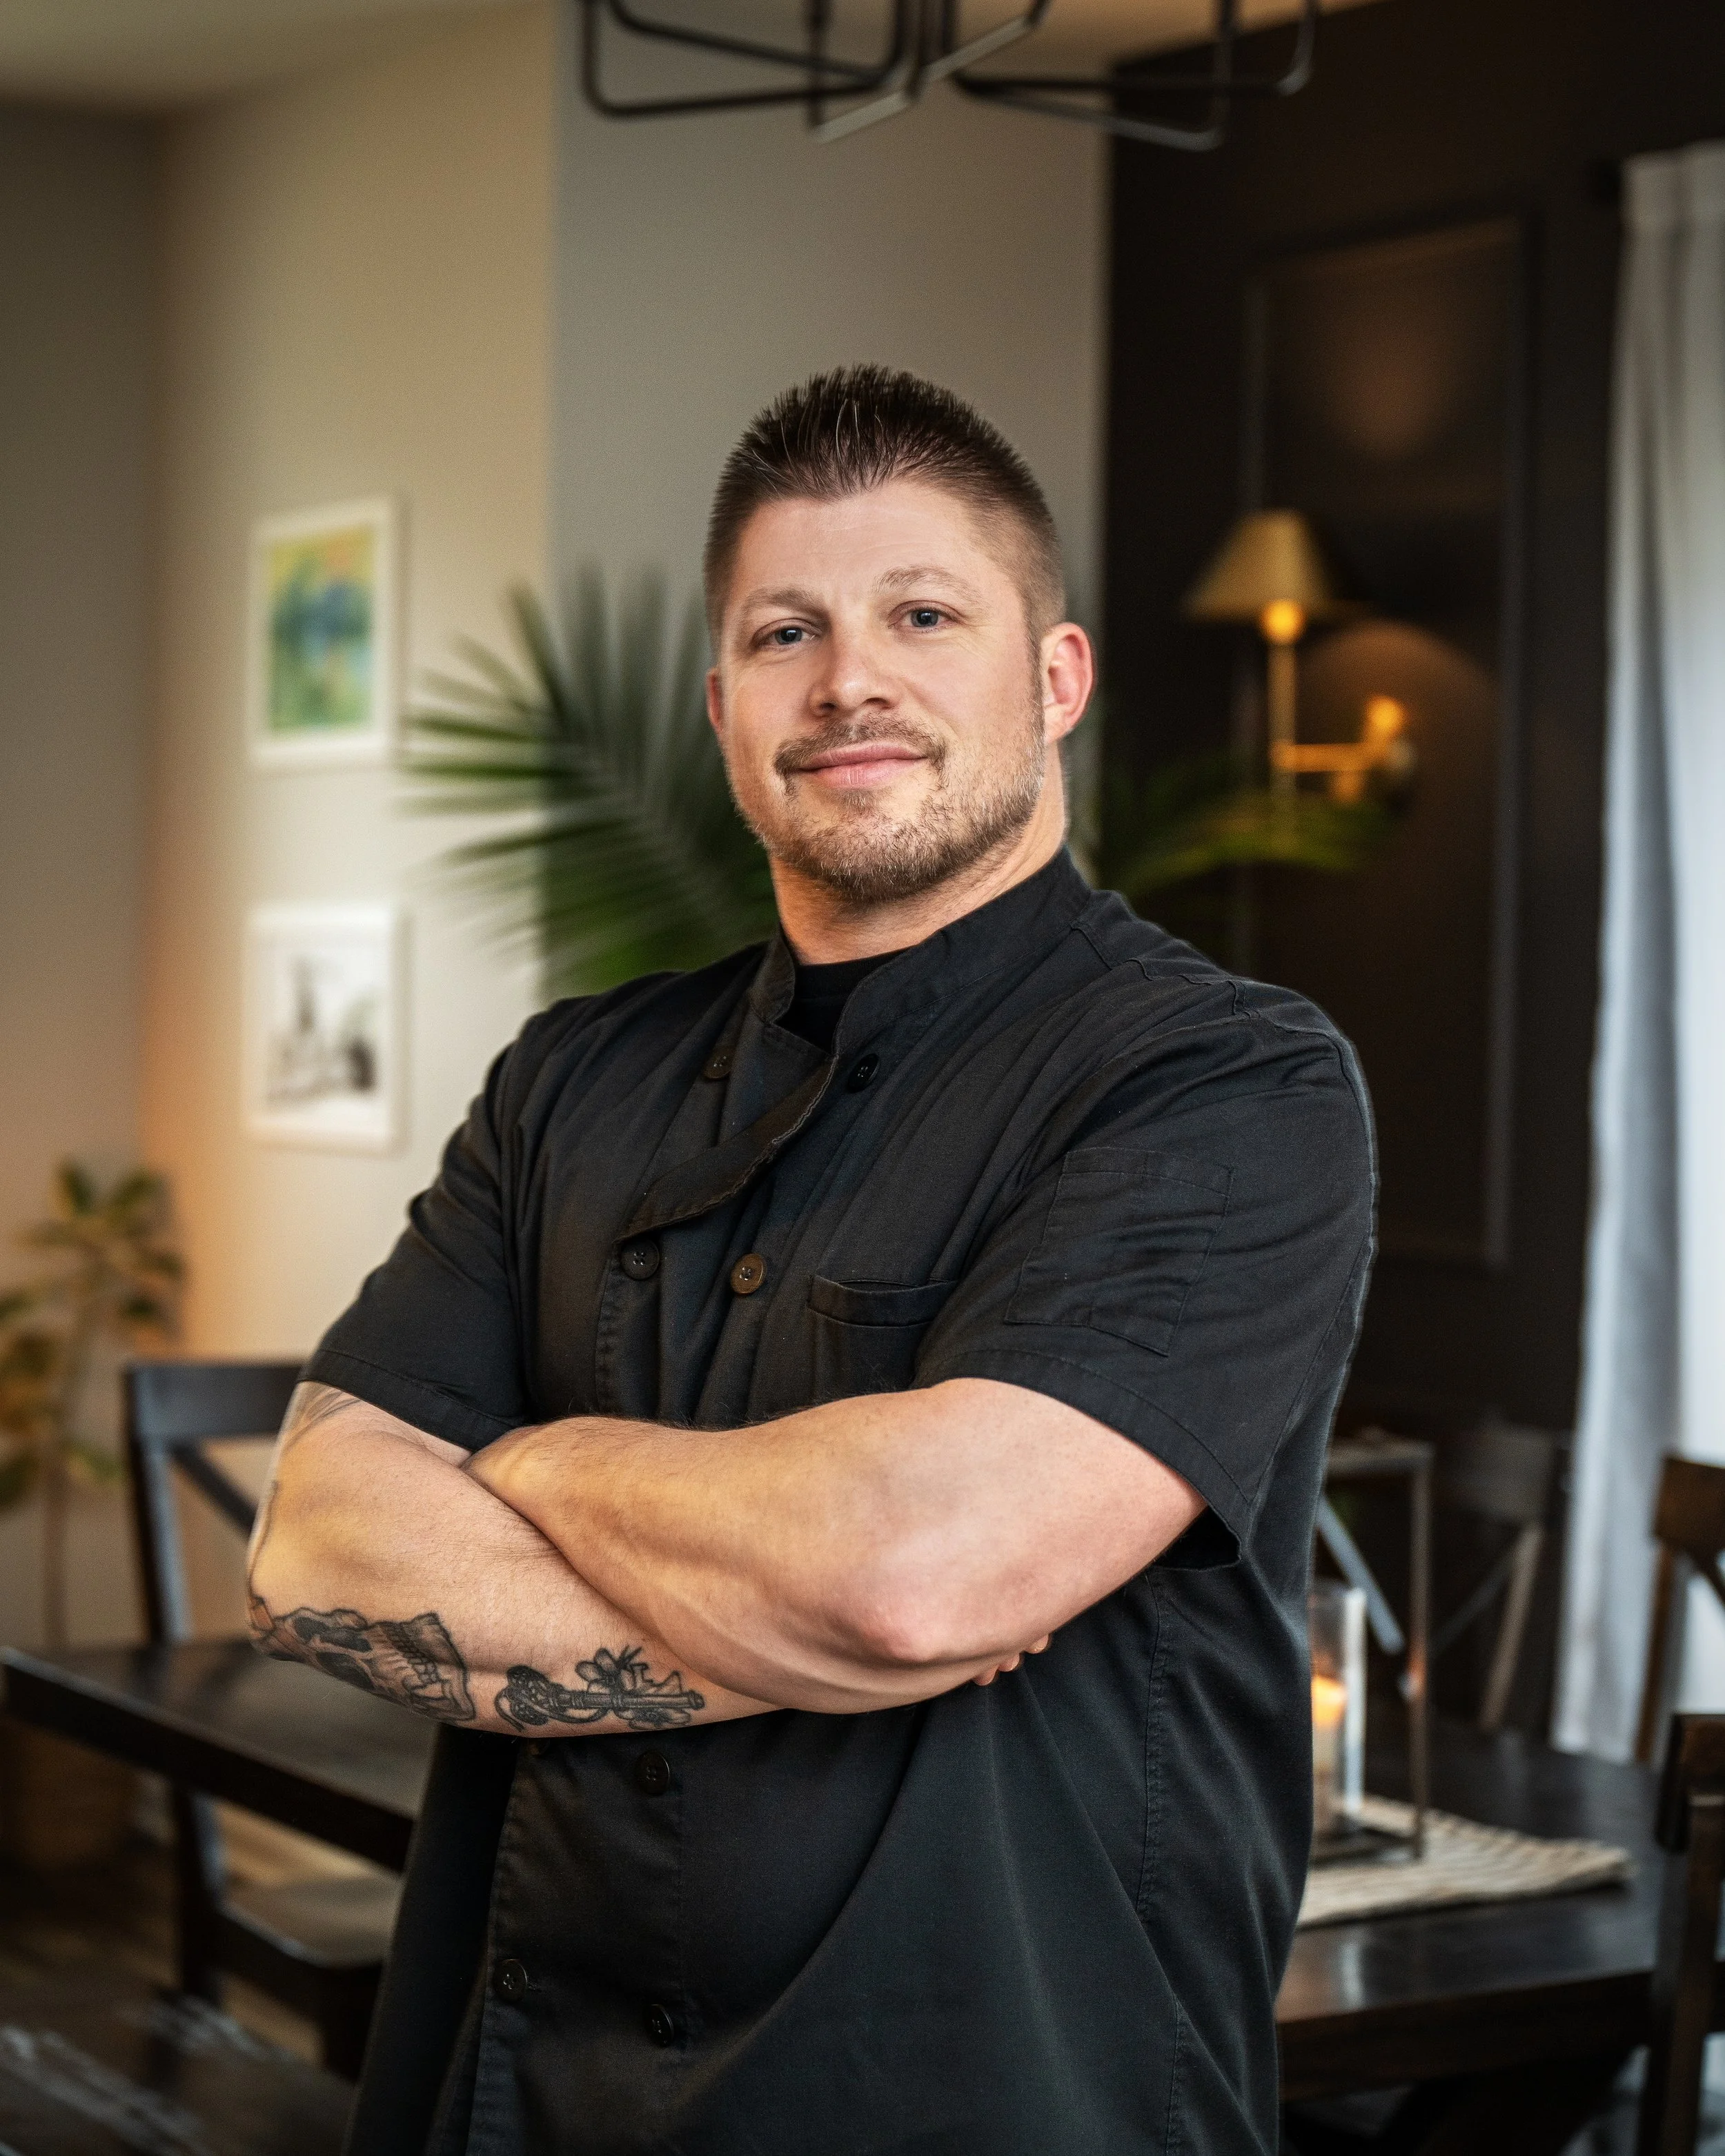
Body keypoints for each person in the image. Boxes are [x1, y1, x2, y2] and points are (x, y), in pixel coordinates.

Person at [248, 364, 1374, 2156]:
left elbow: (915, 1576)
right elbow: (316, 1540)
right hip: (516, 2104)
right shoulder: (569, 1078)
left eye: (921, 612)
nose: (851, 676)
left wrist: (538, 1463)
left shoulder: (1222, 1081)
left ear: (1054, 675)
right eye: (787, 631)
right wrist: (800, 1594)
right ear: (720, 708)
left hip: (997, 2101)